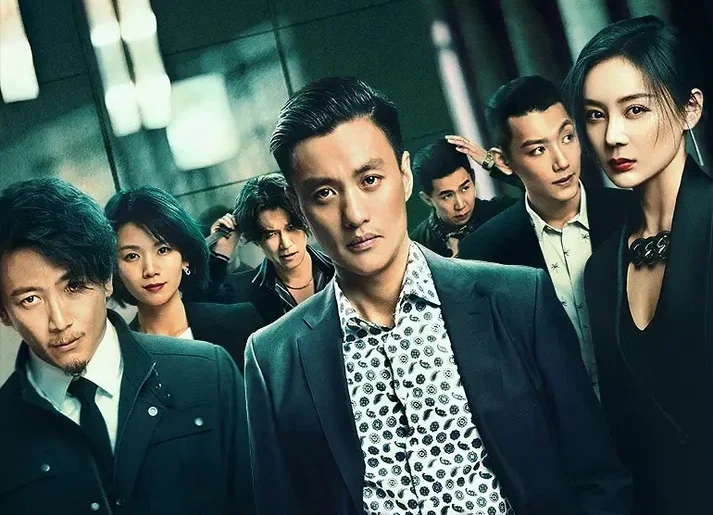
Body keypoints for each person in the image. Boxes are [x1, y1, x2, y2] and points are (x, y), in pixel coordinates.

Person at [245, 76, 632, 515]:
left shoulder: (519, 299)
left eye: (370, 179)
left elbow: (598, 478)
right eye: (324, 194)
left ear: (405, 175)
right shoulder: (273, 358)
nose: (354, 214)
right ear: (298, 206)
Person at [0, 178, 254, 514]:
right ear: (4, 312)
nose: (59, 321)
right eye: (30, 299)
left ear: (106, 280)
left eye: (74, 286)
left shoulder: (209, 370)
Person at [565, 15, 710, 514]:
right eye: (595, 115)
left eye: (635, 110)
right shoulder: (601, 271)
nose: (613, 136)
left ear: (690, 108)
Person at [455, 76, 632, 395]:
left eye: (567, 137)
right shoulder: (482, 255)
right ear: (504, 162)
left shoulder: (633, 214)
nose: (562, 161)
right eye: (538, 150)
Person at [104, 187, 264, 371]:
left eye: (163, 250)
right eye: (132, 256)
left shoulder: (239, 322)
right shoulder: (115, 357)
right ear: (115, 268)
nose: (150, 270)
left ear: (185, 258)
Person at [207, 173, 334, 324]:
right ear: (257, 240)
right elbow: (203, 304)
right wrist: (219, 254)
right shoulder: (243, 292)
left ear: (305, 222)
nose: (285, 244)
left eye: (291, 227)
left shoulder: (340, 269)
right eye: (271, 234)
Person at [410, 139, 515, 257]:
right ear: (427, 199)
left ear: (473, 178)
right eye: (447, 196)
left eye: (464, 188)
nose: (460, 205)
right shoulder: (417, 247)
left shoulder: (501, 212)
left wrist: (490, 162)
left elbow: (533, 195)